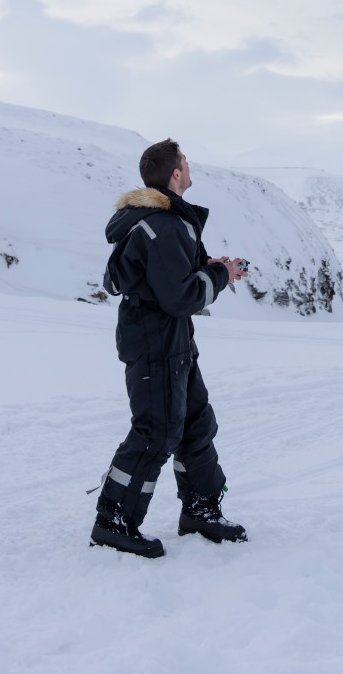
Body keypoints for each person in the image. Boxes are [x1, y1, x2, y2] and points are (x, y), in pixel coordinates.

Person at [90, 138, 248, 559]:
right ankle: (113, 521)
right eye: (186, 162)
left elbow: (160, 276)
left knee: (195, 422)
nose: (190, 167)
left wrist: (210, 268)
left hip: (169, 338)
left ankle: (200, 510)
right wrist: (218, 278)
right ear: (176, 174)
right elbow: (180, 297)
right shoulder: (164, 225)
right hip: (155, 339)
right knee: (156, 430)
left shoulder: (157, 221)